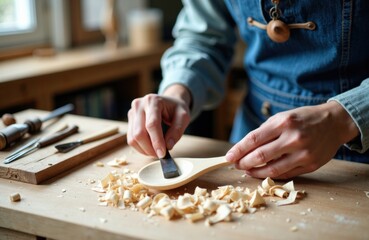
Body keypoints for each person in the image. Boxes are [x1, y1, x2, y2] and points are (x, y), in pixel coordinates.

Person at [127, 0, 369, 179]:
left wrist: (342, 119)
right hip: (250, 147)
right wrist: (178, 91)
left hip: (357, 162)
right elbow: (203, 35)